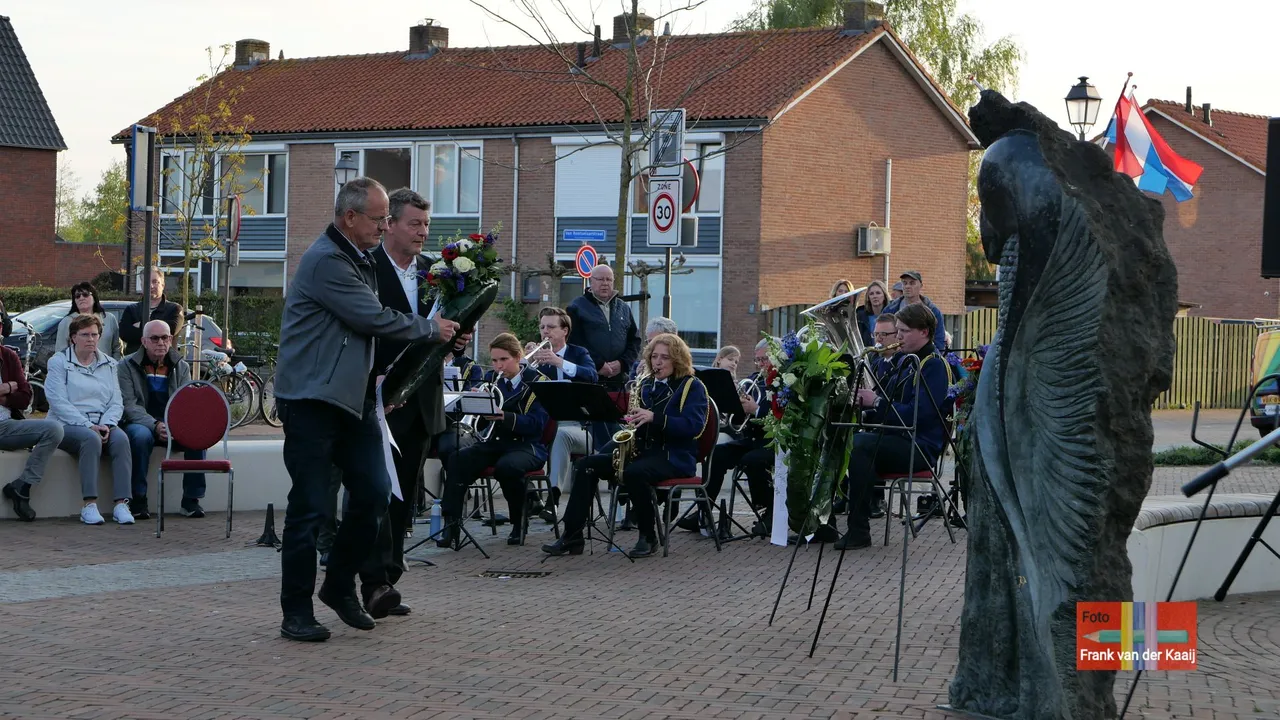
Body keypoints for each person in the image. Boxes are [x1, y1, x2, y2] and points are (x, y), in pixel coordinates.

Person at [274, 177, 456, 643]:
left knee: (375, 493)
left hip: (353, 401)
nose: (383, 226)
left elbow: (368, 332)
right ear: (349, 217)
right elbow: (371, 317)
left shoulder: (359, 257)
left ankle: (337, 586)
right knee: (310, 508)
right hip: (312, 400)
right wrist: (430, 329)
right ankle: (295, 611)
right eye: (378, 219)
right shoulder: (327, 261)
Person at [357, 188, 447, 620]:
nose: (422, 232)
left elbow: (445, 333)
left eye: (426, 224)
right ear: (388, 223)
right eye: (414, 223)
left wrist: (457, 339)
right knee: (375, 490)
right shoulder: (367, 269)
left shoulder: (436, 273)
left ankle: (388, 576)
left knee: (404, 494)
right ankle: (372, 582)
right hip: (374, 399)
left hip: (421, 401)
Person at [543, 333, 709, 558]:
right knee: (586, 465)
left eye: (665, 358)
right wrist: (630, 422)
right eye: (654, 357)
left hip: (674, 456)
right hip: (644, 451)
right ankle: (572, 536)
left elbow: (694, 427)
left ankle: (648, 536)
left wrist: (655, 418)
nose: (658, 363)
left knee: (634, 472)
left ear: (678, 359)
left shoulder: (692, 386)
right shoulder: (646, 384)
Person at [837, 303, 951, 550]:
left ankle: (859, 529)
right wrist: (863, 409)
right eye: (897, 331)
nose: (898, 336)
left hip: (919, 446)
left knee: (861, 446)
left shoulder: (933, 365)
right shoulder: (904, 361)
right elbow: (886, 407)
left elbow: (917, 415)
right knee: (846, 437)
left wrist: (875, 402)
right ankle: (831, 521)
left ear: (924, 332)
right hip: (897, 439)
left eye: (904, 331)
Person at [438, 333, 549, 547]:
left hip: (527, 446)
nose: (498, 366)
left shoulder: (537, 382)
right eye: (495, 360)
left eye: (503, 360)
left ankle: (518, 523)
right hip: (496, 442)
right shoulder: (489, 379)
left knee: (507, 467)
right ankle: (451, 525)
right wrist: (473, 403)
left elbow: (537, 424)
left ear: (518, 357)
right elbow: (481, 425)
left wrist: (504, 416)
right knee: (458, 459)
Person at [44, 314, 133, 526]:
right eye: (85, 335)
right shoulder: (58, 362)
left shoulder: (110, 364)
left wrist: (108, 424)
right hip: (67, 425)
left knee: (121, 439)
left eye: (95, 334)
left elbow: (116, 401)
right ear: (73, 337)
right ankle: (89, 505)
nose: (91, 339)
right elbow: (58, 402)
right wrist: (89, 426)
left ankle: (121, 504)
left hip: (102, 423)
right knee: (90, 440)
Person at [684, 338, 774, 536]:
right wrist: (738, 405)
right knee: (716, 453)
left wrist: (756, 410)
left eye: (764, 360)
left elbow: (780, 417)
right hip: (751, 438)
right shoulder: (754, 379)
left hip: (772, 442)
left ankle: (770, 512)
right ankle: (703, 509)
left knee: (753, 461)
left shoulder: (782, 382)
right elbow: (738, 418)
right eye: (757, 360)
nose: (760, 365)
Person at [117, 320, 204, 521]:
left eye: (165, 337)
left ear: (171, 339)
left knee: (197, 436)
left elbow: (185, 402)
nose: (161, 342)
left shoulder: (180, 366)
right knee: (139, 437)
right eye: (155, 338)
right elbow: (129, 405)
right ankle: (138, 499)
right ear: (144, 341)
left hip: (172, 423)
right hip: (141, 423)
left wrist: (173, 425)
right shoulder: (126, 366)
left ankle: (191, 499)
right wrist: (155, 425)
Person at [528, 306, 596, 520]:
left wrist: (559, 362)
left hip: (579, 428)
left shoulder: (579, 353)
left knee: (560, 435)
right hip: (543, 425)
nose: (545, 332)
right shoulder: (537, 359)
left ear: (565, 330)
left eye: (551, 327)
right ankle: (531, 498)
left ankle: (553, 498)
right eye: (542, 327)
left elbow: (592, 376)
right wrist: (524, 364)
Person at [1, 343, 64, 521]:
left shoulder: (8, 356)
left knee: (53, 429)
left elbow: (25, 397)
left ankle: (22, 487)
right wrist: (7, 387)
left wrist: (7, 394)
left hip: (5, 425)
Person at [567, 264, 641, 388]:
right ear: (591, 281)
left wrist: (622, 363)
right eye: (600, 279)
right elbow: (574, 341)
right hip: (588, 379)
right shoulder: (576, 307)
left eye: (609, 279)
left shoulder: (623, 308)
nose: (605, 283)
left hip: (618, 381)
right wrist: (598, 364)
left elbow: (634, 340)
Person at [120, 269, 183, 356]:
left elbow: (171, 330)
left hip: (164, 364)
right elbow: (124, 334)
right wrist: (158, 328)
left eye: (155, 282)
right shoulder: (131, 309)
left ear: (163, 285)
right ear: (141, 285)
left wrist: (140, 325)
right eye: (146, 282)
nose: (151, 286)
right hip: (135, 363)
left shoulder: (174, 309)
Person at [882, 270, 946, 352]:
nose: (907, 286)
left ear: (921, 285)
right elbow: (882, 335)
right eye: (905, 283)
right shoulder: (889, 309)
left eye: (912, 283)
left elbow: (939, 342)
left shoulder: (933, 311)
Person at [56, 283, 123, 359]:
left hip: (106, 368)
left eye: (85, 294)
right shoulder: (67, 321)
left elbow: (117, 348)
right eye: (77, 296)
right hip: (76, 369)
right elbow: (60, 351)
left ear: (94, 297)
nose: (81, 298)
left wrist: (115, 366)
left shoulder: (109, 319)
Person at [855, 280, 891, 348]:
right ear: (868, 297)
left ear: (884, 296)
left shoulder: (892, 314)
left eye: (878, 293)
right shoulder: (860, 316)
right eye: (871, 294)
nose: (875, 296)